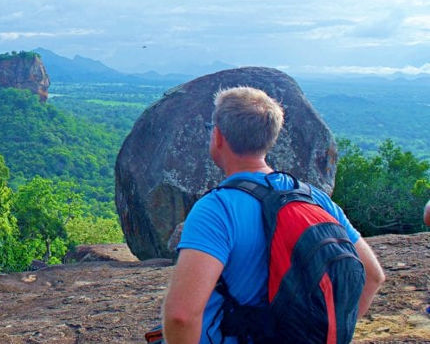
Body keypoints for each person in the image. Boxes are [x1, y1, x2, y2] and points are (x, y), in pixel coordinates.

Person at [162, 86, 385, 344]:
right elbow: (373, 276)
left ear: (219, 137)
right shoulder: (315, 199)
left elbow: (181, 315)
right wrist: (318, 331)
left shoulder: (217, 209)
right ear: (271, 138)